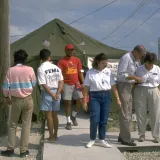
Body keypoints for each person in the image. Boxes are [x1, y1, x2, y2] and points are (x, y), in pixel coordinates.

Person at [1, 50, 36, 158]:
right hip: (28, 99)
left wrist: (6, 96)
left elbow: (5, 87)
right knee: (26, 125)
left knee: (12, 125)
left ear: (15, 59)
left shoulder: (11, 70)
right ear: (25, 59)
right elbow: (34, 83)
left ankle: (10, 149)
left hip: (15, 100)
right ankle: (23, 151)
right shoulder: (30, 69)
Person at [83, 53, 121, 148]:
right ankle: (92, 139)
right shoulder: (90, 72)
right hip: (94, 96)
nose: (105, 65)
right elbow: (86, 87)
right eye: (103, 63)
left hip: (106, 96)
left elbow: (113, 86)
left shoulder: (108, 71)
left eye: (106, 63)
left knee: (103, 120)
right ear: (97, 61)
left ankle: (102, 139)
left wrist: (118, 99)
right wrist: (84, 101)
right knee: (95, 119)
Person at [117, 45, 146, 146]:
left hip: (130, 86)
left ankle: (122, 135)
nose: (141, 58)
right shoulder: (126, 58)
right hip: (124, 86)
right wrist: (134, 77)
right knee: (126, 113)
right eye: (141, 55)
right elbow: (121, 75)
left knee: (128, 112)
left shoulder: (135, 60)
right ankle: (126, 139)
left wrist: (136, 80)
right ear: (136, 52)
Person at [37, 49, 63, 141]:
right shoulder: (57, 68)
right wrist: (57, 93)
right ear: (49, 57)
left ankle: (51, 136)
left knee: (49, 116)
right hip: (57, 92)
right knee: (55, 115)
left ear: (40, 58)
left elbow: (43, 84)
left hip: (48, 92)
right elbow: (61, 81)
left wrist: (52, 94)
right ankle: (55, 135)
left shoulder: (41, 68)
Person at [134, 52, 160, 143]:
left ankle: (156, 135)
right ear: (145, 61)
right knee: (140, 113)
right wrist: (137, 82)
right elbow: (134, 82)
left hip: (154, 90)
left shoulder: (157, 69)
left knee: (155, 113)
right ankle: (141, 135)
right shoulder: (139, 69)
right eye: (148, 63)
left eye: (152, 63)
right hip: (141, 90)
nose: (150, 65)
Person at [58, 44, 84, 130]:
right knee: (67, 103)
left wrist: (83, 83)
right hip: (66, 84)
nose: (70, 51)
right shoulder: (61, 61)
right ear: (65, 51)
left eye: (72, 50)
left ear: (73, 51)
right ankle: (68, 122)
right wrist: (60, 86)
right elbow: (59, 75)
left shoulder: (77, 60)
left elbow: (80, 72)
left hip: (76, 84)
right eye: (68, 50)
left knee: (80, 101)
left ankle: (73, 116)